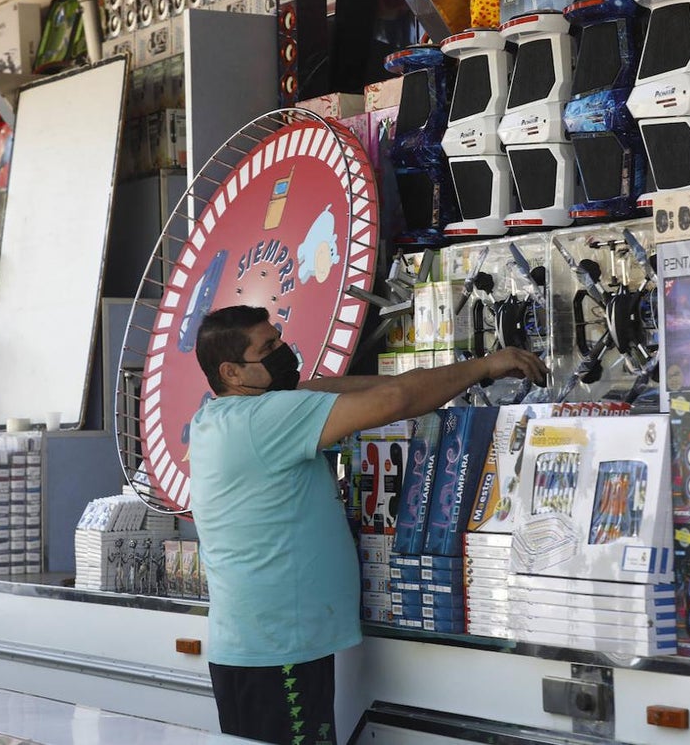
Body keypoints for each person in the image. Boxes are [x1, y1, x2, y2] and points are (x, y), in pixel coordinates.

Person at [190, 304, 547, 745]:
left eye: (280, 338)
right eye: (269, 347)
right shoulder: (262, 420)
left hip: (270, 643)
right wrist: (484, 365)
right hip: (277, 651)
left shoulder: (224, 416)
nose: (284, 350)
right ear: (232, 371)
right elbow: (393, 401)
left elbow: (337, 388)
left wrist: (441, 377)